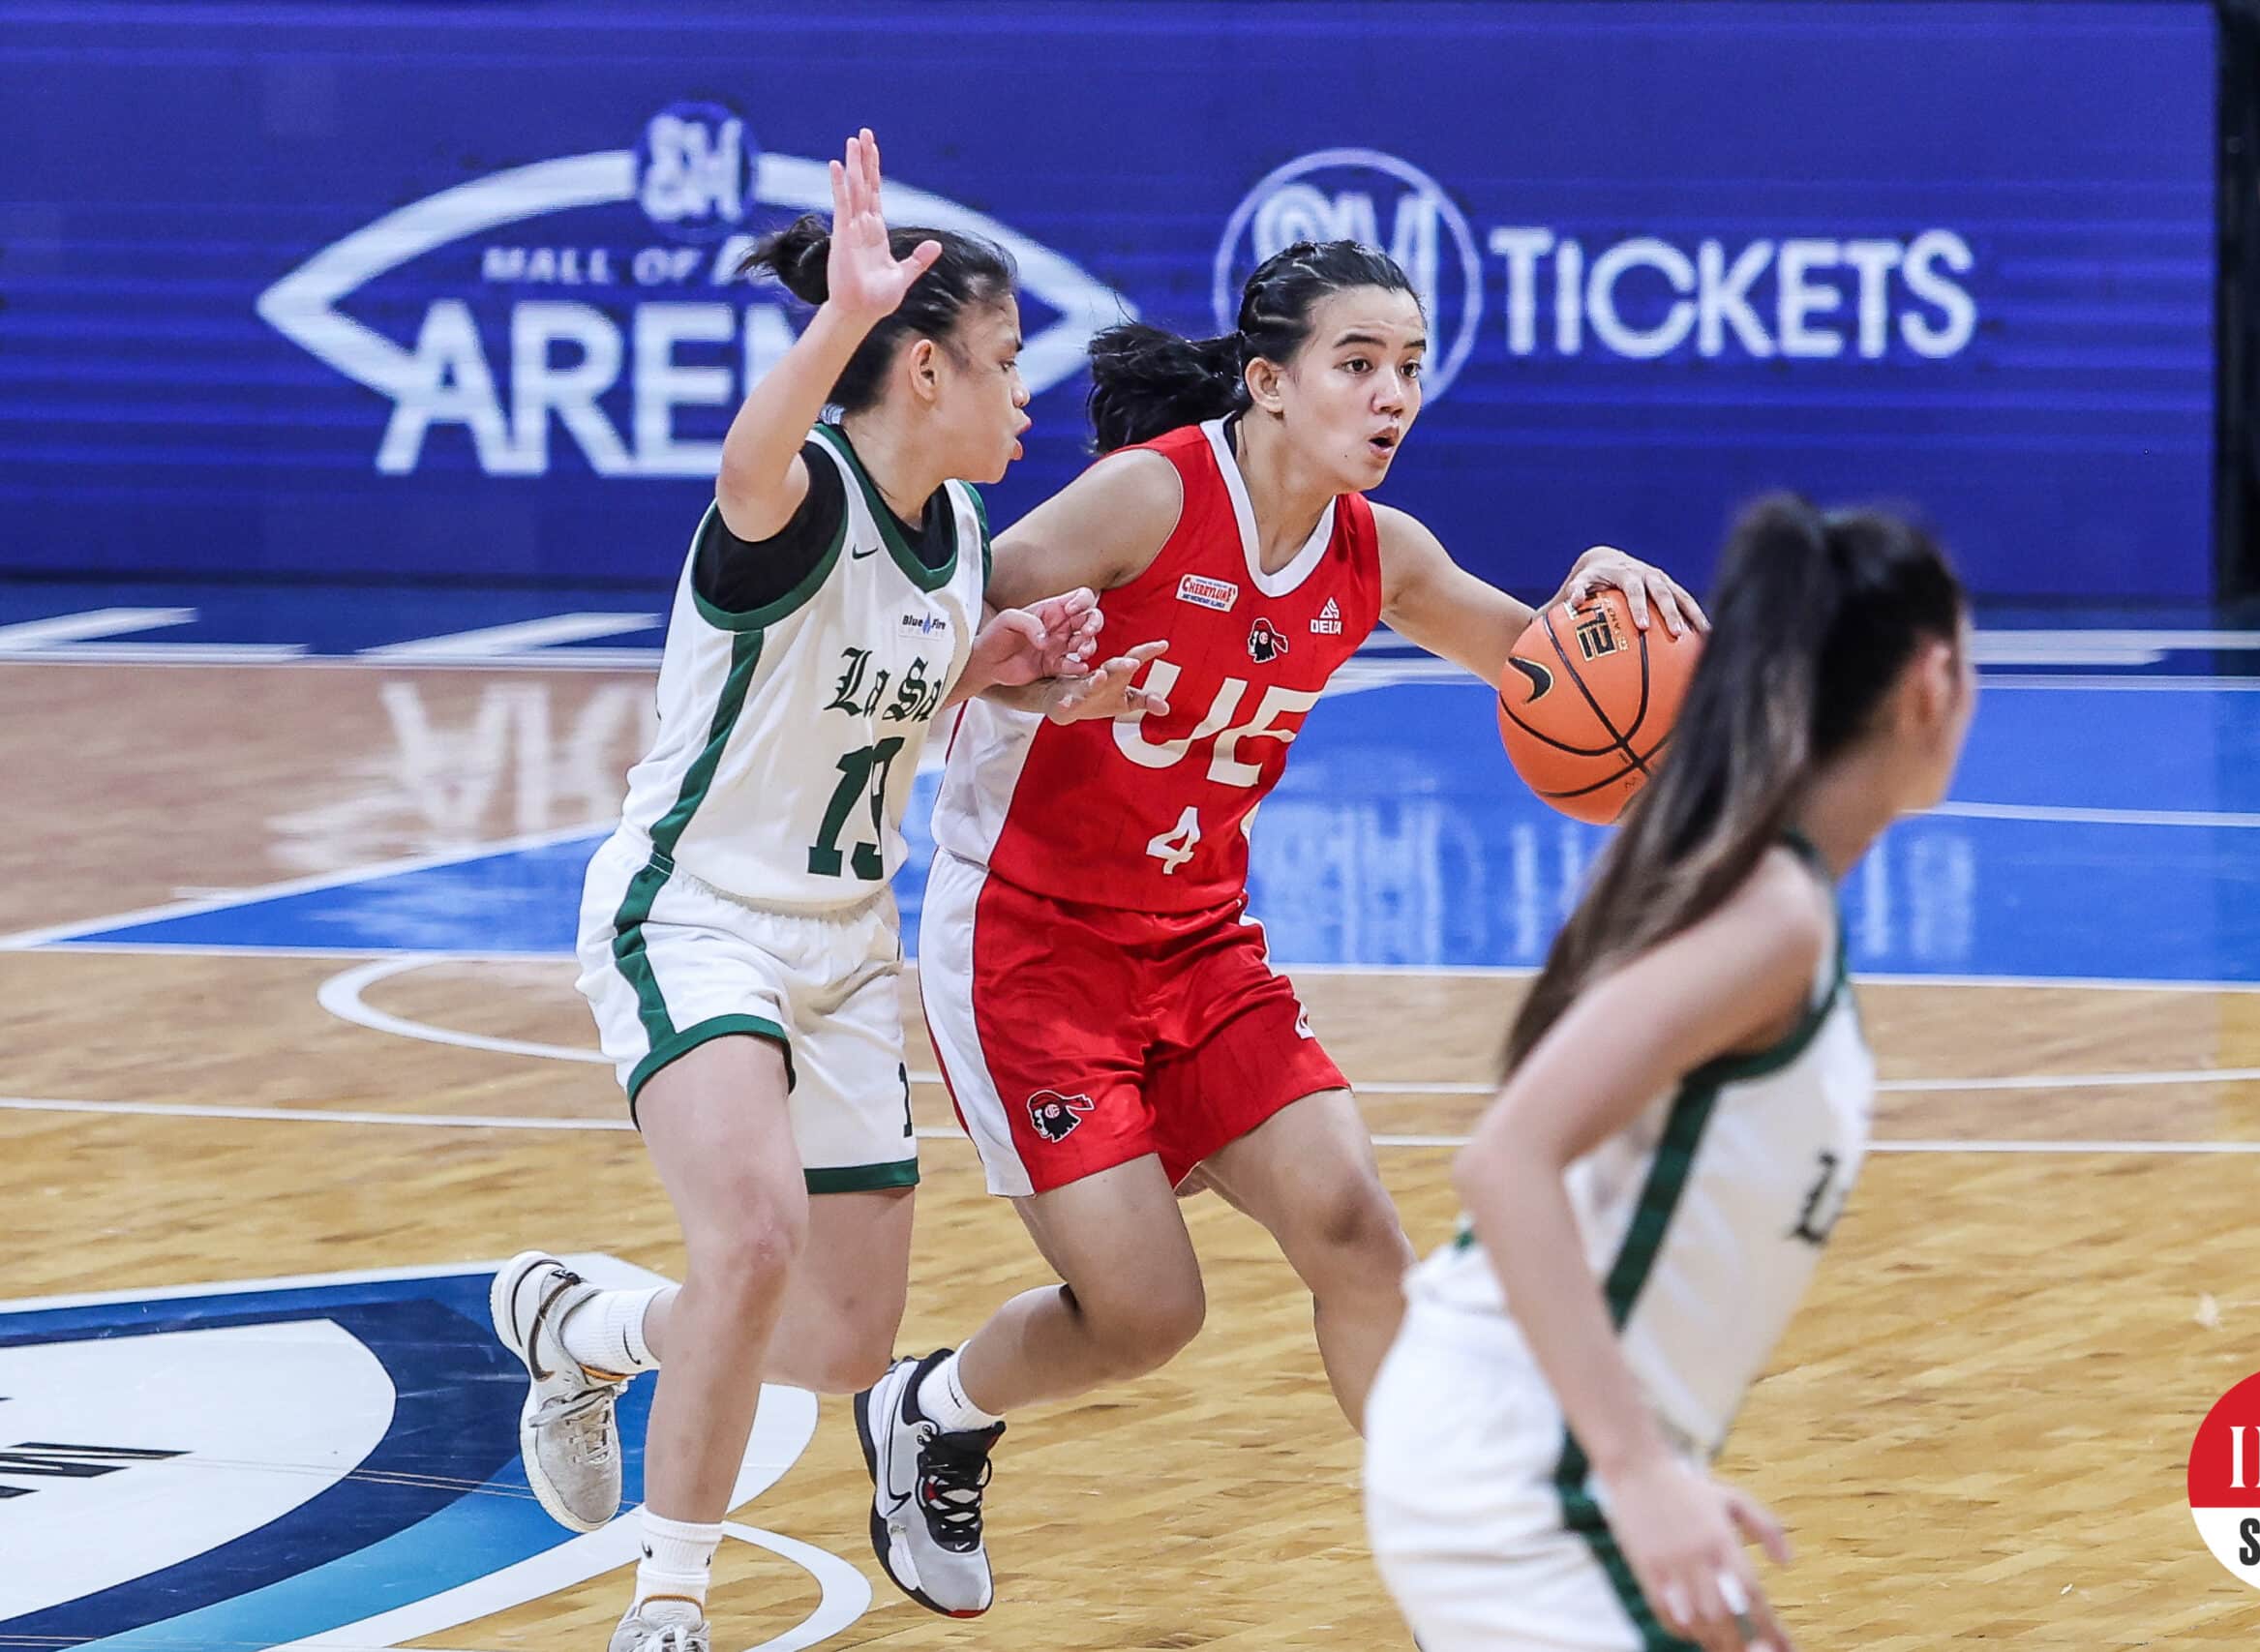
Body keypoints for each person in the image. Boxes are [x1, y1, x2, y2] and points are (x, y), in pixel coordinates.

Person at [855, 237, 1708, 1617]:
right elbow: (941, 618)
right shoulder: (1149, 496)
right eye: (1357, 364)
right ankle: (932, 1409)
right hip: (1029, 942)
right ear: (1267, 381)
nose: (1391, 396)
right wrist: (1036, 695)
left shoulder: (1380, 552)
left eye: (1411, 370)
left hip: (1198, 941)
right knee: (1148, 1315)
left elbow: (1546, 659)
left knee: (1355, 1222)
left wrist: (1602, 583)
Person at [482, 130, 1157, 1652]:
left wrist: (1022, 679)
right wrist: (841, 314)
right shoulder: (800, 496)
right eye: (1000, 358)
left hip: (844, 952)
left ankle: (578, 1324)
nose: (1023, 391)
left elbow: (888, 701)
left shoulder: (964, 538)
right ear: (923, 372)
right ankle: (669, 1599)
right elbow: (747, 461)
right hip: (700, 913)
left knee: (842, 1337)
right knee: (754, 1239)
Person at [1360, 496, 1974, 1652]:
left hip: (1531, 1451)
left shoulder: (1740, 862)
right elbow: (1505, 1163)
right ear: (1929, 685)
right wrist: (1638, 1470)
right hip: (1521, 1479)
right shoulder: (1767, 914)